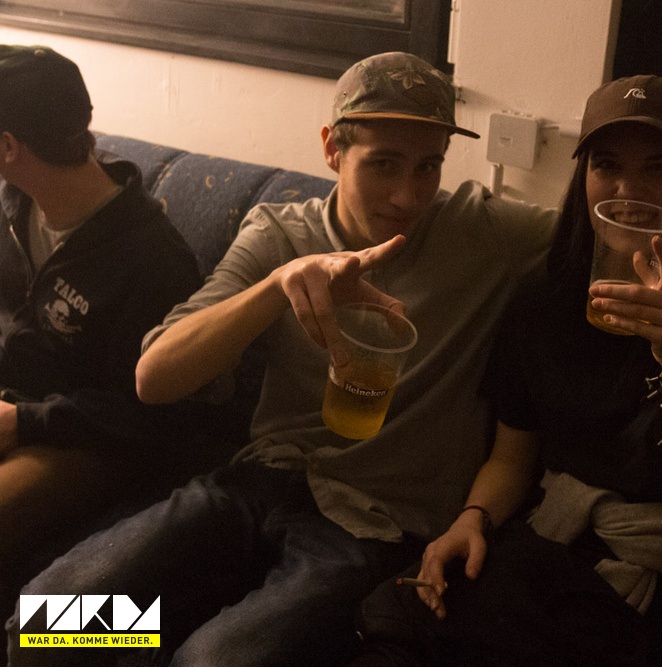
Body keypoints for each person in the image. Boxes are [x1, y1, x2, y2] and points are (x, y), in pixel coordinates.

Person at [6, 51, 556, 666]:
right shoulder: (280, 233)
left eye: (428, 166)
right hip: (254, 488)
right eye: (383, 164)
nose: (408, 196)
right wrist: (276, 288)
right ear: (332, 149)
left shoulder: (483, 234)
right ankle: (156, 626)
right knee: (45, 624)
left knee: (213, 661)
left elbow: (599, 229)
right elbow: (155, 378)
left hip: (372, 525)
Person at [353, 76, 662, 665]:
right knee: (399, 619)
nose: (628, 192)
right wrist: (472, 519)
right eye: (607, 166)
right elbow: (512, 458)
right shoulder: (542, 298)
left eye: (658, 169)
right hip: (557, 546)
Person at [0, 45, 221, 623]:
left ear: (10, 146)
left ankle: (77, 634)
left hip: (92, 438)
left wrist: (24, 421)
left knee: (42, 629)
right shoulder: (16, 200)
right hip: (25, 401)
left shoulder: (153, 261)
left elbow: (150, 417)